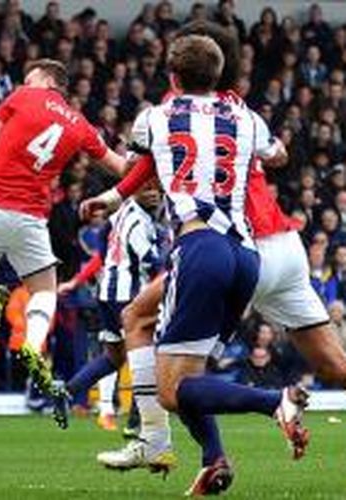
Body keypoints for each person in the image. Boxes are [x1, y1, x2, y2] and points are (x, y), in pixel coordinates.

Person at [96, 21, 346, 484]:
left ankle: (159, 439)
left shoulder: (167, 114)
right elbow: (280, 154)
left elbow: (143, 164)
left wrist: (108, 189)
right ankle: (213, 459)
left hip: (213, 247)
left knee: (141, 327)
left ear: (174, 72)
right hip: (278, 248)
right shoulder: (243, 115)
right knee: (335, 365)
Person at [0, 59, 127, 397]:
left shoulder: (22, 95)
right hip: (30, 217)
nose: (26, 81)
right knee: (45, 290)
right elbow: (119, 167)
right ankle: (32, 343)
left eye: (30, 77)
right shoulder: (81, 126)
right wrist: (154, 165)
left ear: (44, 79)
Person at [53, 183, 163, 431]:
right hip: (130, 297)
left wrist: (76, 282)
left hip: (107, 294)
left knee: (114, 357)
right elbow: (153, 263)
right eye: (146, 188)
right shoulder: (137, 222)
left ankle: (67, 392)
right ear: (133, 191)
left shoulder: (118, 216)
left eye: (156, 188)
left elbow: (102, 253)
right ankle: (137, 421)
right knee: (149, 354)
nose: (153, 193)